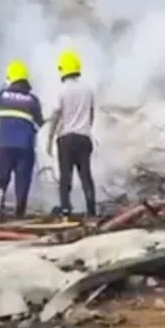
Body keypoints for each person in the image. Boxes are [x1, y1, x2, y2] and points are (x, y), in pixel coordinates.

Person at [46, 49, 97, 217]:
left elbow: (55, 116)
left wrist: (49, 139)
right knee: (86, 176)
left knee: (65, 177)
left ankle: (66, 209)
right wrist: (86, 129)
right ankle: (91, 210)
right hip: (84, 138)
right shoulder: (88, 90)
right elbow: (91, 115)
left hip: (66, 139)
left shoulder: (61, 91)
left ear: (62, 69)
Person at [0, 60, 44, 221]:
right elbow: (39, 122)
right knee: (22, 181)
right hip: (25, 147)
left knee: (2, 178)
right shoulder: (32, 100)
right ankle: (19, 213)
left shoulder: (1, 96)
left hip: (4, 145)